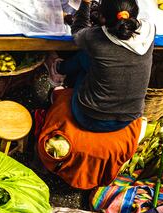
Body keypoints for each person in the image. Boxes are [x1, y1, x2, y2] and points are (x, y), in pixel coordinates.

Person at [49, 0, 154, 133]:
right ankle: (61, 70)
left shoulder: (94, 38)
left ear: (102, 18)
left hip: (89, 117)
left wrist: (86, 3)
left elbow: (77, 31)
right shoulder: (149, 30)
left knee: (85, 56)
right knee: (100, 62)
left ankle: (59, 71)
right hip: (128, 118)